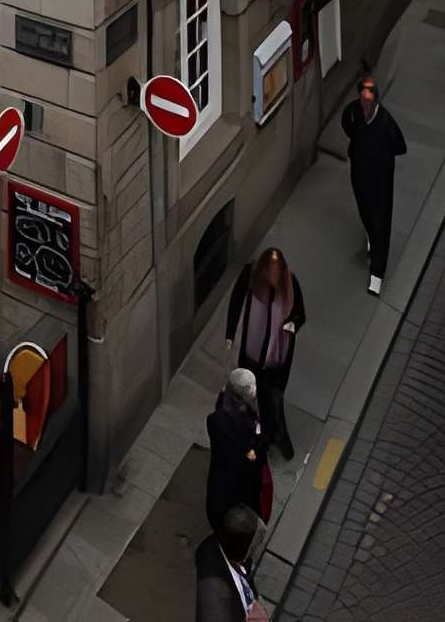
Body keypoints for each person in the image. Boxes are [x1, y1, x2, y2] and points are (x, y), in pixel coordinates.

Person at [225, 248, 305, 460]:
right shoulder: (250, 274)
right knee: (253, 397)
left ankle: (272, 436)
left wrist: (292, 325)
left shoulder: (290, 282)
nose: (273, 278)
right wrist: (230, 334)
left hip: (275, 360)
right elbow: (235, 301)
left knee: (272, 399)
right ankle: (259, 435)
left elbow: (301, 314)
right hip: (252, 354)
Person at [341, 74, 406, 296]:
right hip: (360, 173)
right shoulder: (353, 111)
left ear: (376, 101)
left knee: (381, 221)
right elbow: (346, 123)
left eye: (369, 101)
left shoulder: (386, 123)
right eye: (363, 100)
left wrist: (381, 160)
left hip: (380, 180)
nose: (365, 105)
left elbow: (400, 145)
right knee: (365, 210)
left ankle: (377, 273)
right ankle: (371, 234)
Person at [204, 370, 273, 539]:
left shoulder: (216, 418)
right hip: (239, 486)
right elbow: (253, 457)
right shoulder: (232, 425)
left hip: (222, 486)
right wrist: (257, 443)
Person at [195, 505, 269, 622]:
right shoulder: (216, 595)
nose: (260, 546)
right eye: (256, 544)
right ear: (245, 548)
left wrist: (255, 601)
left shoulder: (231, 547)